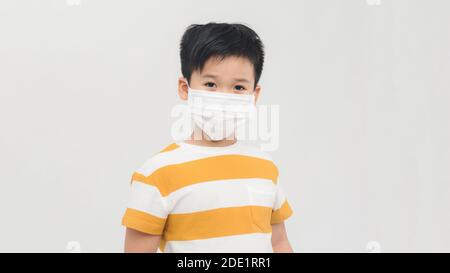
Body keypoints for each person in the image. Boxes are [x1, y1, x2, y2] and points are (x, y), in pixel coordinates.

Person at [122, 22, 294, 253]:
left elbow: (279, 242)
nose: (224, 96)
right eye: (211, 84)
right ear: (185, 88)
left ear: (255, 94)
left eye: (239, 87)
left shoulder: (265, 167)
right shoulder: (157, 173)